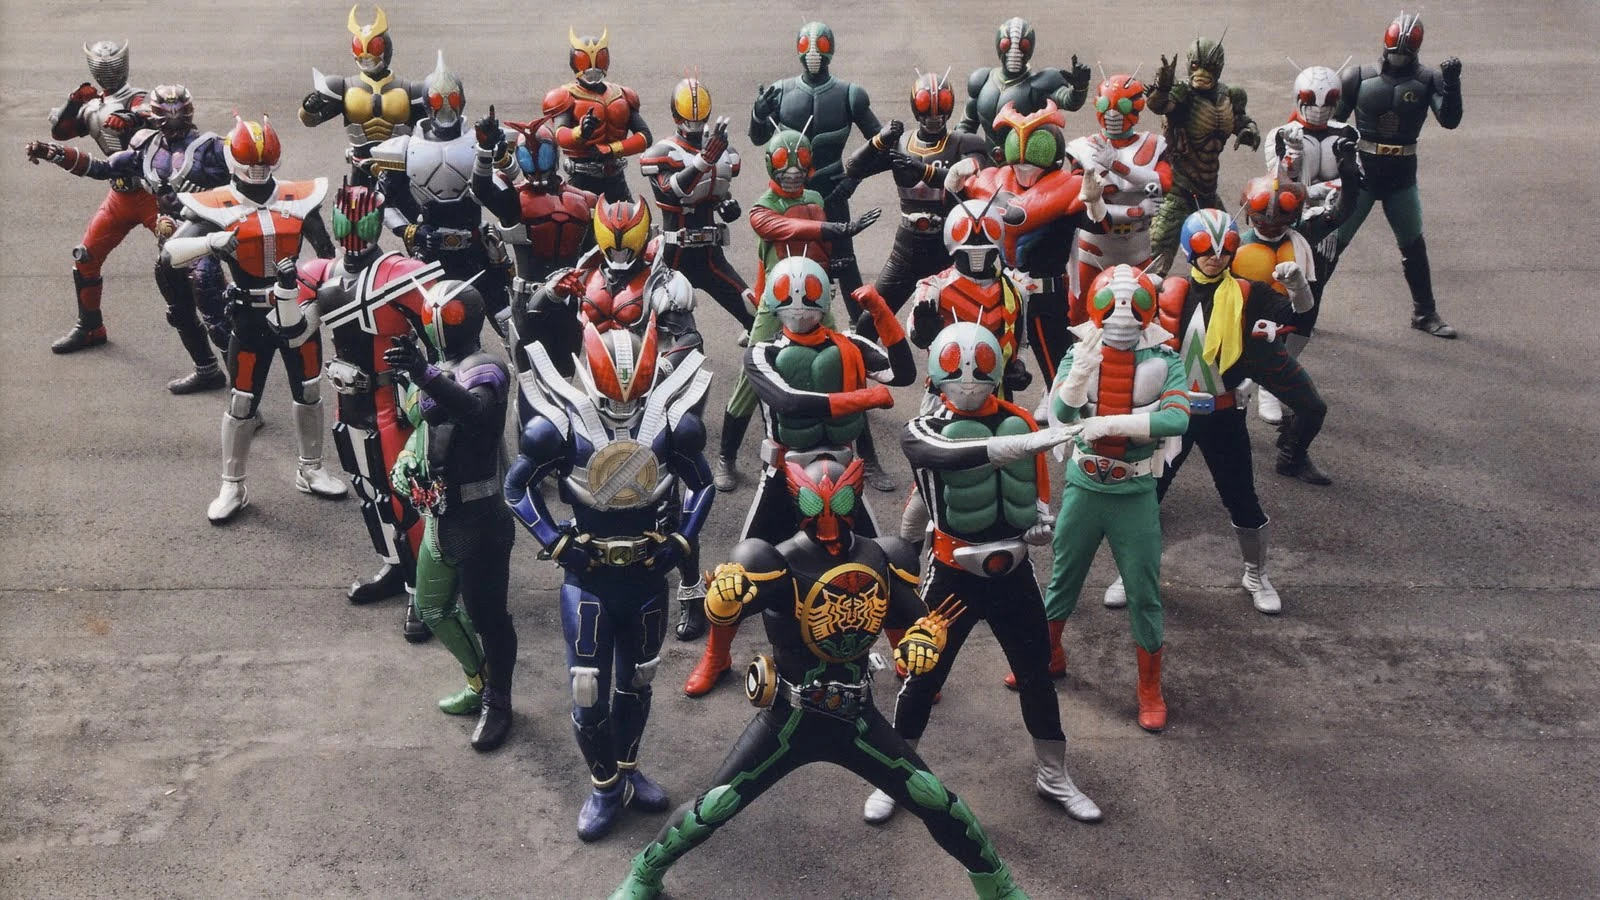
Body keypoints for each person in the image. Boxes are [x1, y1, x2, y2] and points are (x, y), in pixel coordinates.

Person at [609, 458, 1031, 900]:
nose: (828, 518)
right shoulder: (776, 560)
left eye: (841, 502)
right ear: (798, 503)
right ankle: (645, 872)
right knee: (716, 803)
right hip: (789, 718)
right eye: (816, 505)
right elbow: (727, 610)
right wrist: (725, 596)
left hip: (856, 717)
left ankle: (997, 885)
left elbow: (918, 620)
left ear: (854, 498)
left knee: (931, 797)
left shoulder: (879, 556)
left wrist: (924, 641)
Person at [860, 322, 1100, 826]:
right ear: (936, 374)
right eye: (956, 367)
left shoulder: (1019, 420)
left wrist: (1040, 522)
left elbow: (1035, 489)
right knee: (922, 674)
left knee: (1036, 674)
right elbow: (937, 455)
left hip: (1014, 571)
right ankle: (896, 777)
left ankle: (1053, 774)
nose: (968, 377)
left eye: (979, 366)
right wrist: (1017, 446)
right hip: (953, 575)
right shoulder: (924, 428)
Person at [505, 320, 714, 840]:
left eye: (634, 396)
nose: (623, 408)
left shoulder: (672, 424)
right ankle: (604, 785)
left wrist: (681, 540)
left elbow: (702, 484)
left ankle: (626, 768)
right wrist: (555, 541)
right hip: (590, 577)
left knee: (639, 678)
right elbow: (516, 488)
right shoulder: (560, 426)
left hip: (646, 574)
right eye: (613, 396)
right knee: (586, 686)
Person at [684, 256, 914, 697]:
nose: (798, 305)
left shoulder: (849, 345)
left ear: (825, 297)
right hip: (784, 470)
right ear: (772, 301)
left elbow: (902, 373)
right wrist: (862, 398)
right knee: (739, 569)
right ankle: (716, 654)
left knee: (881, 559)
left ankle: (901, 645)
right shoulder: (763, 351)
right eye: (788, 295)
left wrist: (883, 314)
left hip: (842, 471)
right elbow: (788, 401)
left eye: (808, 295)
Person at [1103, 209, 1319, 616]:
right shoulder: (1168, 290)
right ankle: (1131, 572)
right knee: (1146, 495)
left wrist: (1298, 286)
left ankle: (1256, 575)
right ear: (1189, 248)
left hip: (1223, 415)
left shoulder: (1250, 294)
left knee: (1241, 498)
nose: (1216, 256)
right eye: (1205, 246)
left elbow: (1300, 317)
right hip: (1172, 414)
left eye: (1225, 247)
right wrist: (1127, 290)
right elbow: (1112, 323)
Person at [160, 116, 345, 522]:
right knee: (242, 399)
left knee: (309, 389)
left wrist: (321, 295)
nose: (258, 170)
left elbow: (327, 255)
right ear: (234, 160)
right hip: (249, 314)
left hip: (297, 310)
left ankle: (311, 468)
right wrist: (212, 241)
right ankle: (233, 484)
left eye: (264, 162)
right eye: (251, 163)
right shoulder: (216, 203)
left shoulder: (299, 198)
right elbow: (170, 254)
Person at [1041, 265, 1191, 731]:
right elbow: (1061, 413)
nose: (1121, 314)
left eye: (1132, 304)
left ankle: (1149, 687)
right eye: (1112, 304)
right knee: (1063, 578)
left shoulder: (1164, 359)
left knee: (1144, 590)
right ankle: (1049, 654)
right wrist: (1078, 376)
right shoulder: (1080, 351)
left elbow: (1178, 418)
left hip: (1135, 490)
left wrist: (1114, 424)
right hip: (1085, 486)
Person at [299, 181, 442, 641]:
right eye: (346, 223)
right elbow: (292, 332)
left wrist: (436, 386)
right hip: (349, 403)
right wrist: (282, 290)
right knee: (370, 492)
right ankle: (395, 565)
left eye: (360, 224)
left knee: (408, 499)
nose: (353, 235)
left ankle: (424, 588)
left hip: (392, 405)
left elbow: (444, 328)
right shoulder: (321, 272)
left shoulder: (399, 272)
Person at [27, 83, 232, 393]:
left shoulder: (211, 147)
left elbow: (247, 177)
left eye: (179, 113)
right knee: (179, 312)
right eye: (167, 114)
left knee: (216, 313)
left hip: (200, 237)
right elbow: (101, 168)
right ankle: (207, 370)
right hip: (166, 239)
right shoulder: (146, 146)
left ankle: (244, 391)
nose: (173, 121)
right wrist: (53, 153)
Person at [710, 129, 886, 493]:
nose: (792, 170)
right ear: (768, 164)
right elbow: (788, 227)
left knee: (848, 365)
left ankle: (868, 458)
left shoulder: (815, 197)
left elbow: (818, 246)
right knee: (750, 378)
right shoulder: (761, 209)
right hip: (775, 303)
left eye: (800, 160)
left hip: (815, 297)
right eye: (782, 161)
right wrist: (837, 227)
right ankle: (726, 456)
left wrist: (833, 261)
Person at [386, 280, 517, 751]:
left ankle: (499, 701)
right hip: (440, 516)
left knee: (489, 619)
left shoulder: (487, 368)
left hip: (479, 519)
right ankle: (479, 682)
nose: (437, 322)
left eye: (446, 316)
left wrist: (423, 374)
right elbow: (423, 428)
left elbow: (474, 413)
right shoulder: (437, 368)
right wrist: (408, 461)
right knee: (432, 608)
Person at [1333, 13, 1464, 338]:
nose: (1398, 59)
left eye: (1404, 54)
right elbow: (1331, 124)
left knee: (1413, 244)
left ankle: (1425, 311)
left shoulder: (1428, 79)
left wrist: (1452, 85)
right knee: (1332, 241)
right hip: (1362, 172)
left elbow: (1449, 120)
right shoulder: (1357, 77)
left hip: (1401, 175)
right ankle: (1301, 308)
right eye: (1395, 53)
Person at [748, 21, 882, 325]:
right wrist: (758, 113)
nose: (812, 53)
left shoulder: (850, 95)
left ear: (830, 48)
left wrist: (853, 179)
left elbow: (880, 143)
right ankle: (764, 319)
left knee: (843, 260)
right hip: (788, 193)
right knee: (777, 255)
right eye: (806, 45)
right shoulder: (781, 92)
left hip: (832, 189)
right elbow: (758, 137)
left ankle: (861, 326)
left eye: (820, 45)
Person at [367, 53, 511, 325]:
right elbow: (382, 202)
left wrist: (498, 151)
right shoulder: (404, 149)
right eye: (437, 101)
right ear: (426, 104)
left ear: (461, 101)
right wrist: (410, 231)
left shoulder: (479, 140)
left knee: (504, 316)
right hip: (429, 251)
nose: (446, 108)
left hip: (476, 247)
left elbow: (509, 186)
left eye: (452, 100)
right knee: (429, 324)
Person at [842, 71, 989, 326]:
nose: (933, 118)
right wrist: (879, 140)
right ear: (915, 108)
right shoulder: (900, 143)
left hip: (951, 247)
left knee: (963, 321)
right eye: (926, 110)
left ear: (949, 109)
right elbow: (853, 168)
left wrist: (922, 170)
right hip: (907, 249)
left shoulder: (966, 143)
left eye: (940, 110)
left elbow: (973, 178)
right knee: (869, 322)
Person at [640, 78, 754, 333]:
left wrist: (726, 203)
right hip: (672, 256)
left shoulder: (721, 152)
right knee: (655, 322)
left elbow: (715, 188)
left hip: (710, 256)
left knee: (756, 314)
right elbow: (673, 192)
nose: (694, 125)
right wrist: (704, 160)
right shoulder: (664, 153)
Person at [1144, 37, 1260, 276]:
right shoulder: (1183, 94)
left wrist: (1249, 131)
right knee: (1155, 260)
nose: (1203, 74)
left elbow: (1242, 121)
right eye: (1197, 66)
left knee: (1229, 252)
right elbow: (1160, 105)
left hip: (1208, 190)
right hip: (1178, 190)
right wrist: (1162, 88)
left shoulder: (1230, 95)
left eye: (1210, 68)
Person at [1065, 73, 1171, 324]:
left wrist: (1117, 166)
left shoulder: (1154, 145)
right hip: (1094, 250)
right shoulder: (1083, 149)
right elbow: (1082, 202)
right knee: (1078, 316)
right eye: (1105, 105)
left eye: (1122, 106)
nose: (1112, 114)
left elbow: (1163, 182)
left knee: (1144, 315)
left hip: (1136, 249)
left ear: (1136, 107)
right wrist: (1137, 211)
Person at [298, 4, 423, 183]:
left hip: (400, 171)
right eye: (359, 47)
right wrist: (309, 107)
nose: (366, 56)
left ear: (386, 49)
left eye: (374, 47)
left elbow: (435, 128)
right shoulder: (343, 87)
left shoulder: (410, 90)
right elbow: (310, 120)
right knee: (354, 202)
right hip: (360, 169)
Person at [543, 26, 651, 202]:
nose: (592, 69)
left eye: (599, 59)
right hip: (582, 179)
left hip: (616, 178)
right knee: (579, 218)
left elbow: (645, 137)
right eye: (584, 61)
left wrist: (611, 149)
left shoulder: (622, 95)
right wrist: (580, 133)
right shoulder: (565, 96)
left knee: (632, 218)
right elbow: (560, 134)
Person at [958, 17, 1091, 148]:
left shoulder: (1039, 85)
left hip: (1025, 158)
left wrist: (1079, 88)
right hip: (986, 157)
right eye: (1006, 44)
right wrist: (960, 150)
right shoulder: (983, 80)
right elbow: (966, 125)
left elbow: (1069, 101)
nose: (1014, 52)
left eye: (1023, 46)